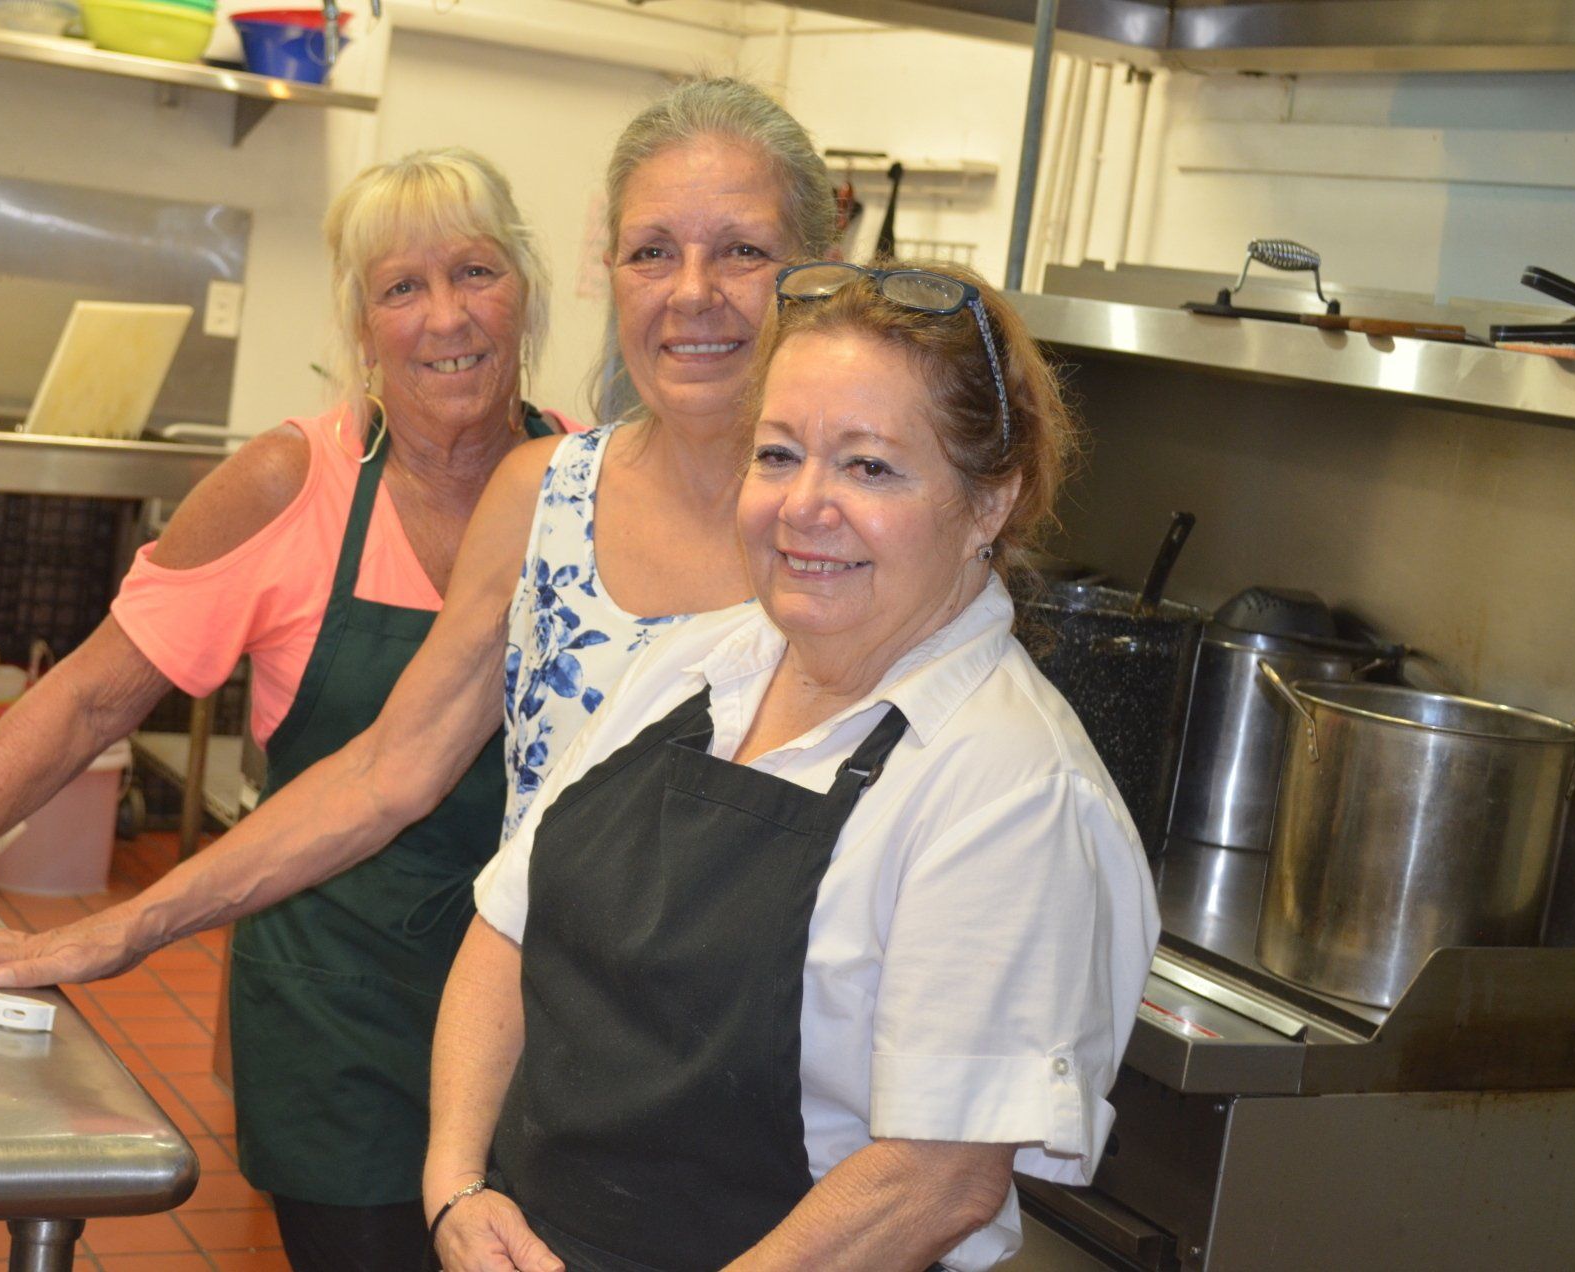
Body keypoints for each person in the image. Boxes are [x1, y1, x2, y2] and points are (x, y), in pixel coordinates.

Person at [0, 147, 565, 1270]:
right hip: (343, 1005)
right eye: (403, 286)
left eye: (476, 272)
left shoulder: (589, 488)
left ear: (526, 287)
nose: (447, 316)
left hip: (539, 1008)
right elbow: (92, 694)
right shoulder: (293, 484)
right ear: (362, 325)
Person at [424, 261, 1162, 1272]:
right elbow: (508, 928)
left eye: (870, 468)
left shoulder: (1012, 788)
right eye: (778, 455)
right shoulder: (687, 670)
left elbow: (937, 1178)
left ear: (989, 501)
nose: (805, 505)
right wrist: (457, 1187)